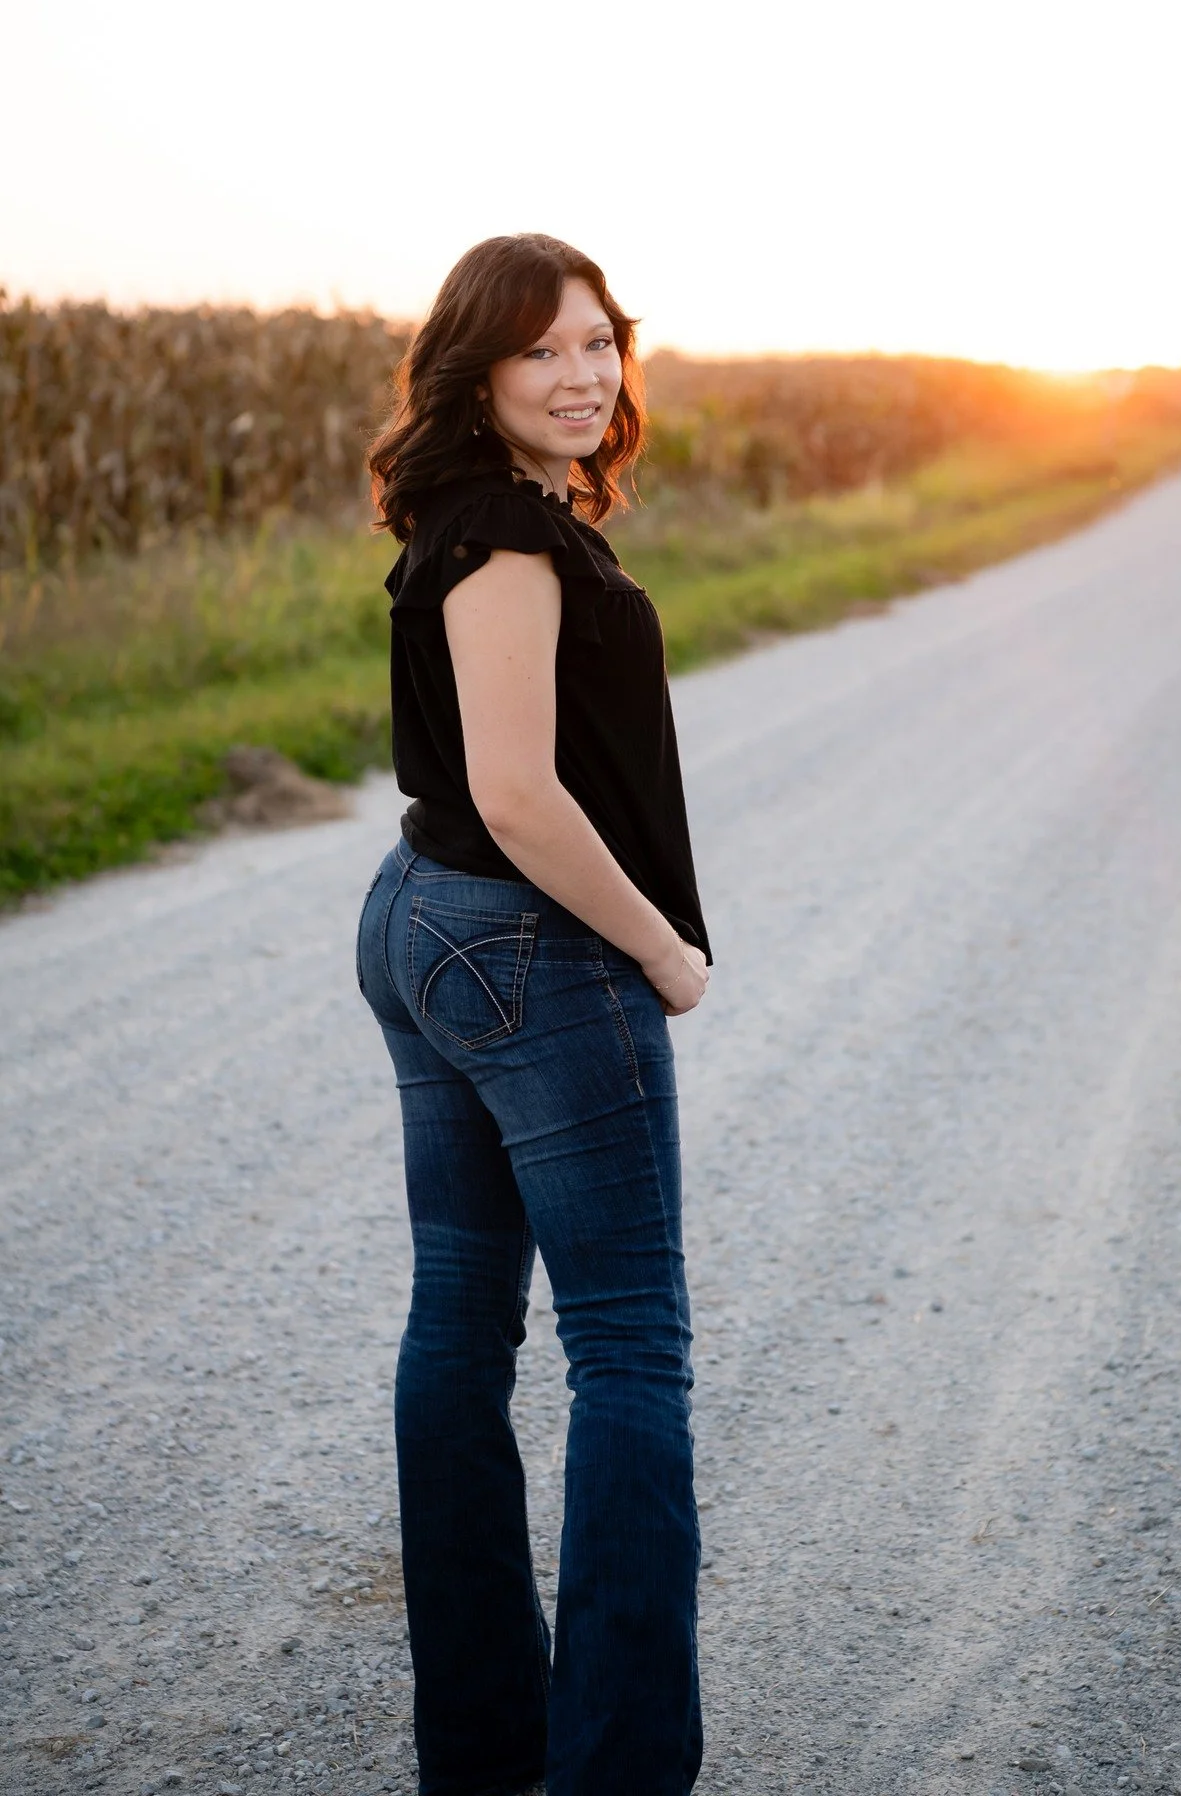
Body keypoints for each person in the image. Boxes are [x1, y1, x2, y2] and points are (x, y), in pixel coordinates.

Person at [355, 233, 711, 1796]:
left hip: (432, 925)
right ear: (478, 373)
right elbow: (514, 790)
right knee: (629, 1349)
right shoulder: (505, 537)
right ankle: (615, 1771)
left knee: (463, 1330)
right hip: (530, 944)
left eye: (597, 345)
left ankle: (487, 1756)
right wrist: (663, 949)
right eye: (541, 353)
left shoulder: (475, 513)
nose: (581, 378)